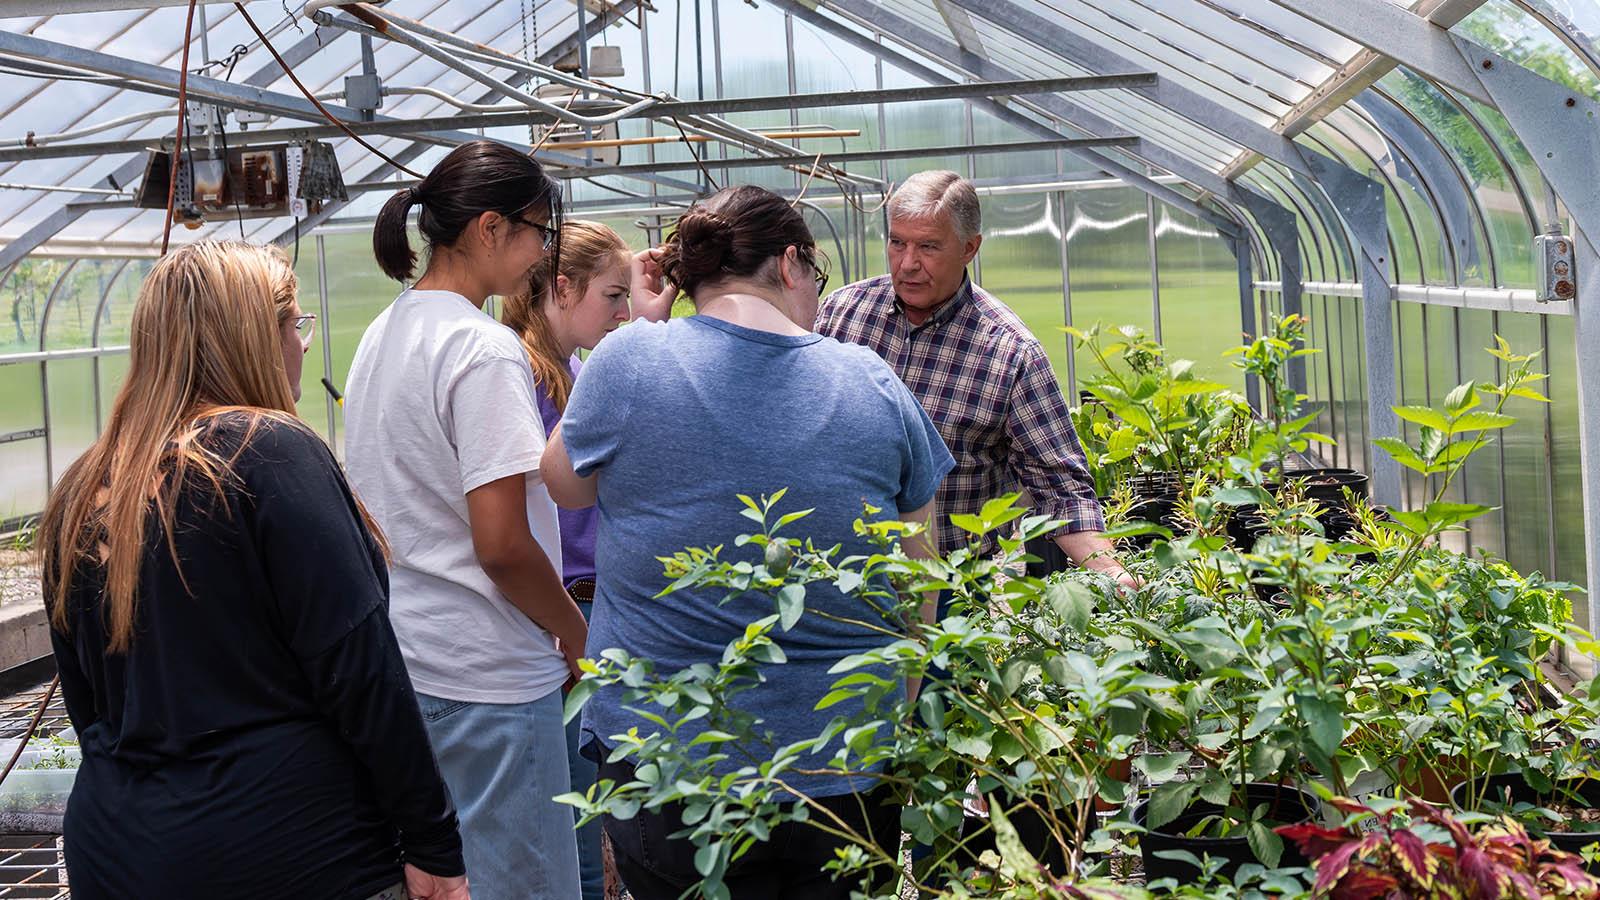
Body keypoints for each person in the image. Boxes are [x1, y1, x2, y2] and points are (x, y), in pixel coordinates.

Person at [541, 185, 955, 900]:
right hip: (844, 765)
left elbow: (564, 485)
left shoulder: (630, 360)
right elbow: (922, 576)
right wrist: (898, 710)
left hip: (665, 764)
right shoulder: (873, 381)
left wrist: (642, 325)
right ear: (791, 263)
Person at [38, 240, 468, 900]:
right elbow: (363, 673)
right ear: (255, 337)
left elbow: (90, 706)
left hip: (117, 847)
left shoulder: (85, 488)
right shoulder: (267, 452)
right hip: (284, 847)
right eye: (295, 323)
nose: (303, 343)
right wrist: (433, 841)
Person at [345, 141, 584, 900]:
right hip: (491, 678)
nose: (543, 255)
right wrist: (580, 640)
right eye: (540, 233)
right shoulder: (482, 350)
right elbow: (504, 546)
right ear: (489, 229)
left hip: (412, 658)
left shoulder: (385, 333)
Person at [816, 170, 1134, 589]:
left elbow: (1058, 486)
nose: (908, 263)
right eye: (897, 243)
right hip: (842, 572)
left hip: (954, 585)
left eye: (928, 246)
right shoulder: (843, 312)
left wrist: (1111, 573)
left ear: (970, 248)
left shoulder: (1008, 351)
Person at [500, 220, 676, 900]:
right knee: (579, 820)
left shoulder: (576, 367)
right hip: (566, 611)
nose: (622, 314)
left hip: (590, 609)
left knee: (598, 810)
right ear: (561, 289)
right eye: (613, 296)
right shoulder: (526, 373)